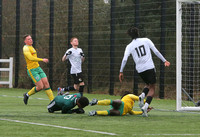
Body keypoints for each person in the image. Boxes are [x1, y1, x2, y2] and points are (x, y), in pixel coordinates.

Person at [119, 26, 170, 117]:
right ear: (138, 33)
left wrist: (121, 71)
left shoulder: (129, 46)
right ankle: (145, 107)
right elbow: (156, 51)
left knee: (148, 84)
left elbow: (124, 60)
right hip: (149, 67)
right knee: (152, 88)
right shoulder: (146, 40)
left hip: (140, 70)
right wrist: (164, 60)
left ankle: (142, 95)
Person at [23, 34, 54, 105]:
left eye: (31, 38)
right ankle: (27, 95)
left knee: (46, 83)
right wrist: (42, 59)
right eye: (28, 39)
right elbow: (30, 58)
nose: (31, 40)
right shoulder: (25, 48)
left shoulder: (31, 47)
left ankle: (52, 101)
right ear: (25, 41)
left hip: (38, 68)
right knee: (40, 87)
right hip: (32, 70)